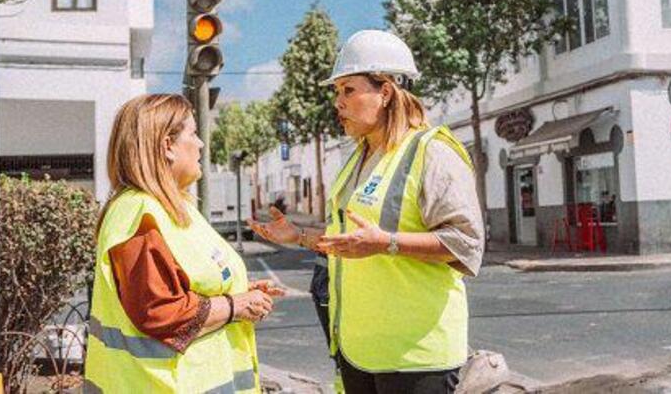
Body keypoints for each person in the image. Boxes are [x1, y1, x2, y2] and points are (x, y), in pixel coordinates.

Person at [250, 30, 483, 394]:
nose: (338, 102)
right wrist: (299, 236)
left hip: (415, 357)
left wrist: (386, 243)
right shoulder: (357, 158)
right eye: (336, 92)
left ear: (386, 92)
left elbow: (466, 243)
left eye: (348, 90)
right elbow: (350, 242)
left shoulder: (432, 151)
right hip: (358, 352)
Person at [85, 93, 285, 392]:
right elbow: (160, 311)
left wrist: (240, 293)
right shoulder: (139, 212)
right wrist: (235, 305)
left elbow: (189, 284)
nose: (202, 143)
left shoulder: (175, 207)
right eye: (193, 133)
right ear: (167, 145)